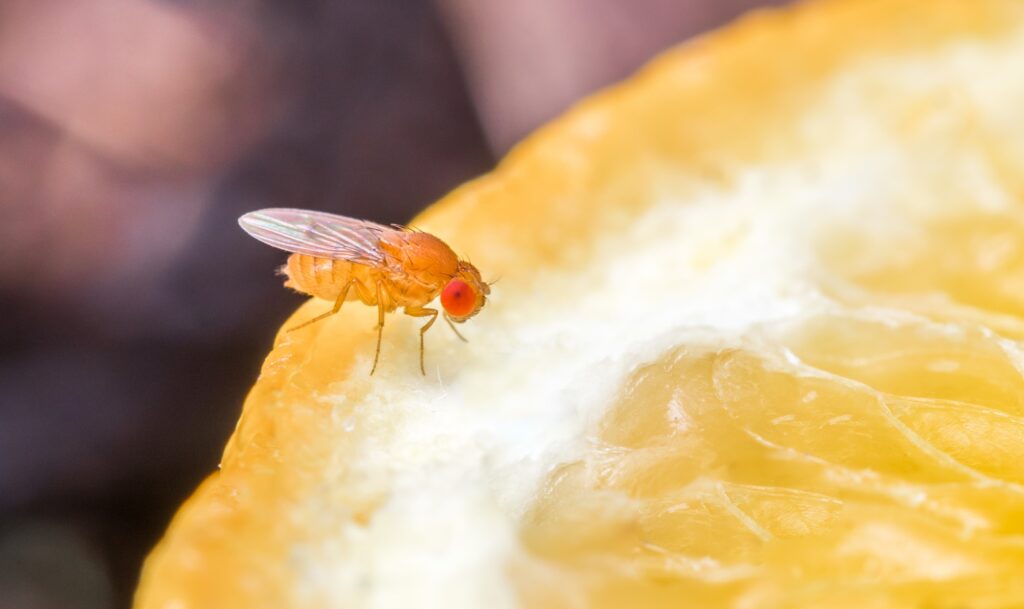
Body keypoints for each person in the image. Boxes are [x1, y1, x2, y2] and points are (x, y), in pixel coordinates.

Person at [0, 1, 777, 606]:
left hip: (356, 253)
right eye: (460, 293)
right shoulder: (414, 277)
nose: (462, 298)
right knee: (363, 295)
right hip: (334, 263)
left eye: (463, 291)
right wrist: (362, 309)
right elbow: (372, 266)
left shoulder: (434, 273)